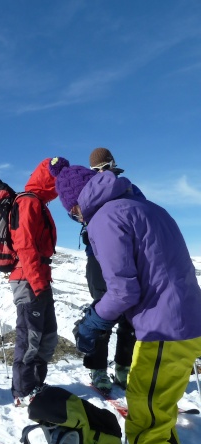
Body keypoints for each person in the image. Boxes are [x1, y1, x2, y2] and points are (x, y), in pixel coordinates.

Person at [49, 156, 201, 444]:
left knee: (144, 427)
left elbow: (123, 292)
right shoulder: (146, 207)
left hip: (163, 330)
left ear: (76, 204)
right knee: (157, 414)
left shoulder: (104, 219)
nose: (75, 218)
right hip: (187, 322)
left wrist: (92, 322)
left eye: (71, 212)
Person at [78, 148, 137, 392]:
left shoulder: (126, 187)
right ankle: (102, 370)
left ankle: (117, 368)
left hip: (116, 256)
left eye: (104, 166)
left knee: (125, 313)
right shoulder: (118, 187)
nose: (102, 171)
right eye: (98, 169)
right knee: (107, 311)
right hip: (103, 257)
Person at [8, 158, 60, 407]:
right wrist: (37, 282)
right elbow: (25, 245)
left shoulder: (40, 202)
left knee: (47, 335)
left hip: (39, 278)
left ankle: (36, 383)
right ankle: (22, 390)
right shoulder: (28, 201)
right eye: (57, 178)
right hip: (28, 279)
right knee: (30, 337)